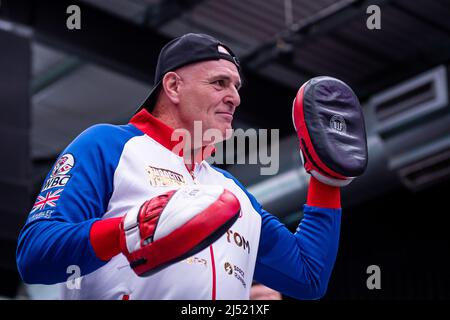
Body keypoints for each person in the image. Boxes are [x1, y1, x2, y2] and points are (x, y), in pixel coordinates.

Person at [16, 33, 367, 300]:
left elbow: (308, 278)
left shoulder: (230, 192)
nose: (235, 96)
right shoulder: (109, 145)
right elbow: (34, 254)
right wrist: (127, 233)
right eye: (219, 82)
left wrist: (326, 181)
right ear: (173, 86)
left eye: (236, 86)